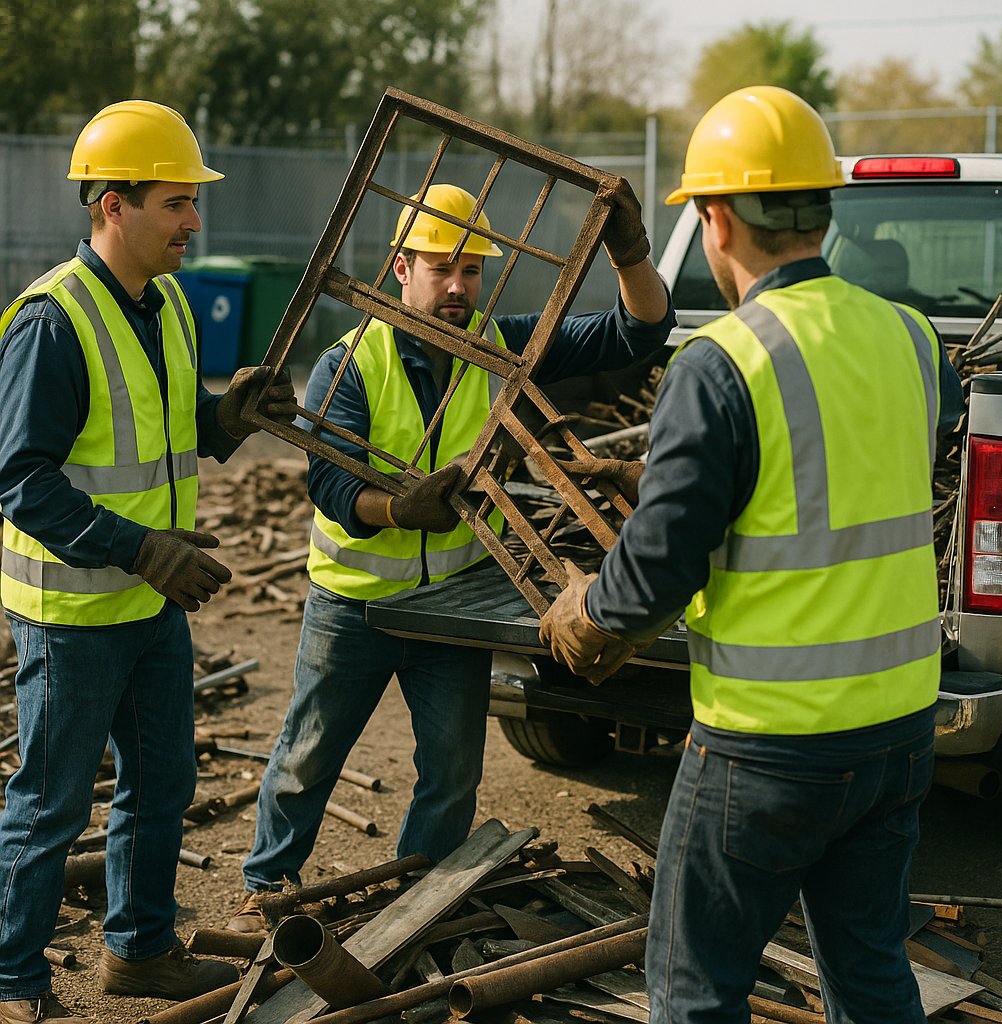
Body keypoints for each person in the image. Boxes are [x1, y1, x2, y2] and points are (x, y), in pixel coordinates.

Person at [538, 86, 965, 1024]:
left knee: (694, 992)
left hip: (769, 742)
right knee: (872, 977)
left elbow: (656, 570)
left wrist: (585, 619)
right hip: (898, 727)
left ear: (717, 218)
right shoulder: (914, 340)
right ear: (820, 210)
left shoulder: (723, 361)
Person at [228, 180, 675, 930]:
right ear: (401, 268)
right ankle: (266, 887)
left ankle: (420, 895)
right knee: (307, 754)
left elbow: (637, 334)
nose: (460, 287)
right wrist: (398, 508)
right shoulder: (351, 361)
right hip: (357, 602)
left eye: (472, 270)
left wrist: (630, 253)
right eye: (443, 269)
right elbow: (332, 481)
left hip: (452, 603)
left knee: (452, 768)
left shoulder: (502, 347)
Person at [0, 100, 299, 1022]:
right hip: (74, 614)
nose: (194, 223)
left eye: (193, 204)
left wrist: (228, 417)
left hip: (148, 605)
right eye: (176, 204)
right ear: (111, 206)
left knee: (162, 781)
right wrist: (143, 550)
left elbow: (164, 435)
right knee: (50, 808)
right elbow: (21, 481)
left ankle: (139, 950)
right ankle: (12, 977)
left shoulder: (165, 301)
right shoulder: (54, 321)